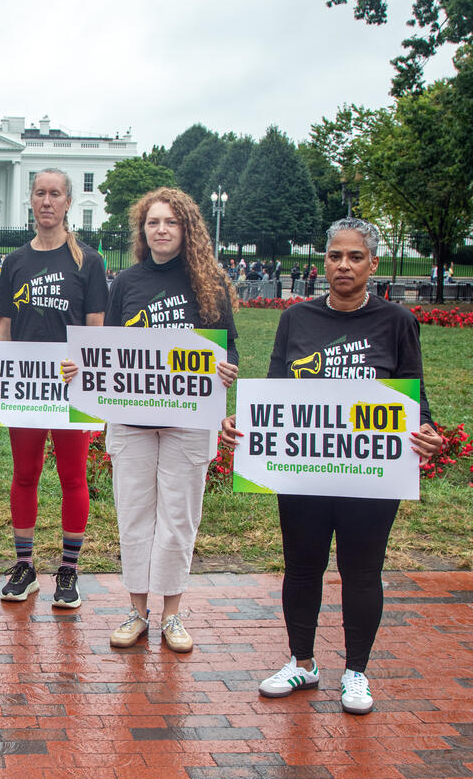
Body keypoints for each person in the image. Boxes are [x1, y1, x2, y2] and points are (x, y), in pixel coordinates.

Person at [222, 218, 442, 714]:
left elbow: (414, 394)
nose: (343, 265)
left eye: (355, 257)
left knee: (362, 571)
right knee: (302, 567)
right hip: (304, 469)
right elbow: (275, 392)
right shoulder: (296, 319)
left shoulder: (396, 322)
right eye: (335, 256)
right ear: (323, 261)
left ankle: (356, 672)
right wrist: (246, 421)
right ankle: (302, 661)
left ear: (373, 264)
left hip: (371, 470)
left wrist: (425, 429)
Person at [71, 187, 238, 653]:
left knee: (179, 519)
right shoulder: (125, 282)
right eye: (152, 223)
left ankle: (171, 616)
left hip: (188, 419)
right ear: (142, 231)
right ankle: (137, 611)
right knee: (135, 515)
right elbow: (107, 351)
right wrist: (81, 367)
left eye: (170, 222)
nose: (161, 230)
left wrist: (228, 367)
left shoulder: (211, 283)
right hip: (131, 420)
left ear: (187, 229)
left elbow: (231, 349)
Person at [0, 169, 107, 607]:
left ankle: (68, 570)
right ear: (31, 201)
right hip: (25, 389)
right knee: (25, 475)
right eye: (40, 193)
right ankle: (25, 566)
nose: (46, 201)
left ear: (67, 202)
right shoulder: (15, 262)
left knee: (72, 477)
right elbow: (3, 329)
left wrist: (79, 365)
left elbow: (96, 330)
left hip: (71, 387)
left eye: (55, 193)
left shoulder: (88, 262)